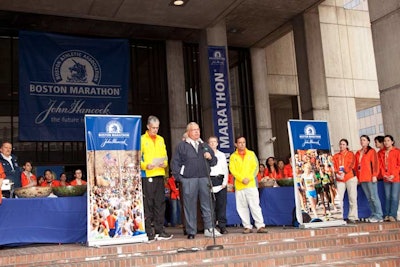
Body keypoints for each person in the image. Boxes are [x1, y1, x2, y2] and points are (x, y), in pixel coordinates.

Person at [171, 122, 220, 239]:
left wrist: (210, 157)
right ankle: (191, 231)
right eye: (194, 130)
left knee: (207, 204)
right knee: (189, 206)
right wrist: (180, 178)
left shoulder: (204, 145)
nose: (197, 132)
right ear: (188, 132)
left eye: (198, 129)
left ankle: (209, 228)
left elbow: (214, 162)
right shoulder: (181, 146)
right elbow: (175, 163)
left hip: (204, 178)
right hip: (189, 179)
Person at [228, 136, 269, 234]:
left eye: (243, 142)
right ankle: (247, 226)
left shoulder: (251, 154)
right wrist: (242, 179)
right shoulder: (233, 156)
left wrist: (248, 178)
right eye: (240, 142)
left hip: (251, 184)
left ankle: (260, 225)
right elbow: (232, 170)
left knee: (255, 205)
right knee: (242, 207)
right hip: (239, 185)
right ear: (236, 144)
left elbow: (255, 168)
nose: (242, 144)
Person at [140, 115, 172, 241]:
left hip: (159, 173)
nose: (155, 130)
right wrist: (145, 165)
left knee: (160, 203)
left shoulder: (161, 139)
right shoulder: (142, 139)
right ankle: (148, 231)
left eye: (157, 128)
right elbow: (136, 157)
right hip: (147, 174)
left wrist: (165, 163)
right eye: (153, 128)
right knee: (148, 203)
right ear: (148, 126)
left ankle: (160, 230)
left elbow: (165, 155)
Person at [354, 135, 383, 223]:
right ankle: (374, 214)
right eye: (361, 140)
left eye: (364, 140)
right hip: (362, 178)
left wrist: (375, 175)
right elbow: (356, 167)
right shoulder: (358, 153)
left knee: (374, 197)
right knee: (369, 198)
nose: (362, 141)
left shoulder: (371, 151)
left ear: (368, 142)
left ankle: (379, 215)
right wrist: (358, 178)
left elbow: (375, 164)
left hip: (370, 177)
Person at [333, 138, 358, 223]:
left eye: (343, 144)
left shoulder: (350, 154)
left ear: (347, 145)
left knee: (352, 198)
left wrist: (344, 172)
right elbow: (333, 165)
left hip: (350, 177)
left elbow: (351, 164)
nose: (341, 146)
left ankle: (353, 216)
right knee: (339, 198)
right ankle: (340, 217)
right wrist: (336, 173)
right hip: (339, 179)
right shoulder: (336, 156)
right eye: (340, 144)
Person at [208, 136, 229, 234]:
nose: (212, 144)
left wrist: (225, 182)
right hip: (210, 181)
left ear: (217, 143)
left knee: (221, 205)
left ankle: (222, 226)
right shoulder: (206, 155)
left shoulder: (222, 155)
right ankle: (211, 227)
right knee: (211, 206)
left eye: (214, 142)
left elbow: (225, 169)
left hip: (220, 181)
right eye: (210, 142)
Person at [378, 135, 400, 222]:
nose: (386, 142)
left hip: (395, 178)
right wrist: (384, 175)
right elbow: (381, 165)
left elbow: (398, 165)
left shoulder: (397, 151)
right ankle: (386, 214)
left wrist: (393, 175)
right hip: (386, 178)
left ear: (392, 142)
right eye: (385, 141)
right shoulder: (381, 153)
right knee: (387, 196)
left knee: (394, 196)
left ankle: (392, 215)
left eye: (388, 140)